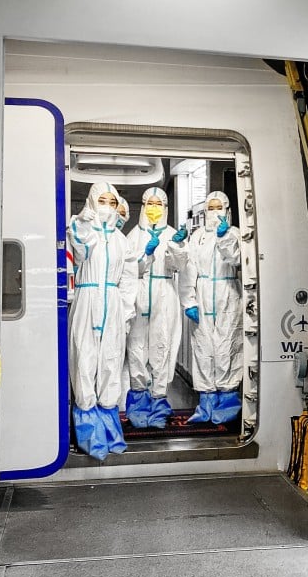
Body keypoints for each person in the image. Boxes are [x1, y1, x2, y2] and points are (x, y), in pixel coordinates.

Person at [67, 181, 137, 460]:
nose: (106, 206)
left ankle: (110, 431)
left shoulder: (122, 241)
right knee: (84, 361)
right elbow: (80, 250)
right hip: (86, 300)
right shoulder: (81, 228)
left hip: (113, 304)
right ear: (91, 202)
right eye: (101, 201)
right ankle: (88, 433)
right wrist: (84, 223)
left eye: (111, 201)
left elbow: (130, 279)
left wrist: (127, 311)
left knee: (110, 363)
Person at [124, 187, 197, 429]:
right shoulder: (133, 236)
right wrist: (144, 256)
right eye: (150, 204)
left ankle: (158, 406)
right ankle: (138, 406)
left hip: (165, 295)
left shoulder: (173, 234)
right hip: (139, 294)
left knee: (162, 348)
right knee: (136, 350)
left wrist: (177, 247)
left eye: (159, 204)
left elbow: (181, 267)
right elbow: (126, 270)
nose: (154, 209)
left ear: (165, 208)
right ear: (144, 206)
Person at [185, 191, 242, 424]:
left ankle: (227, 406)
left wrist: (225, 237)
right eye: (211, 207)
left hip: (228, 294)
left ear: (227, 210)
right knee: (203, 348)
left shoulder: (236, 233)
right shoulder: (197, 236)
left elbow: (237, 261)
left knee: (227, 346)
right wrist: (189, 300)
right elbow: (189, 270)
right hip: (203, 295)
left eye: (219, 207)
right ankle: (206, 404)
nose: (215, 212)